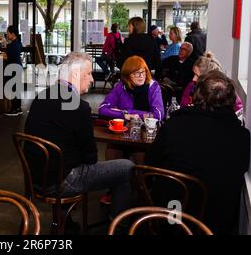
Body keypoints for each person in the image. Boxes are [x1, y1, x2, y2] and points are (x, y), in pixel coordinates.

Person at [24, 52, 134, 229]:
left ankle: (63, 222)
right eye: (88, 73)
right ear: (75, 74)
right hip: (60, 182)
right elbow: (91, 158)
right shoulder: (79, 107)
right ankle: (118, 228)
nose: (91, 79)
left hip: (35, 176)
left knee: (66, 159)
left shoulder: (41, 98)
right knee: (126, 168)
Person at [146, 71, 250, 234]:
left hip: (172, 216)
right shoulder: (242, 137)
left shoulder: (174, 125)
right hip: (215, 222)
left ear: (197, 96)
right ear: (231, 100)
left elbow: (150, 163)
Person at [99, 55, 164, 161]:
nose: (141, 76)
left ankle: (140, 177)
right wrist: (125, 115)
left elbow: (158, 115)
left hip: (145, 133)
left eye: (143, 72)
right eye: (136, 73)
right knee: (112, 151)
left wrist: (128, 113)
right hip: (123, 132)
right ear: (127, 76)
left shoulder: (153, 87)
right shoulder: (121, 86)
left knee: (140, 155)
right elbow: (103, 109)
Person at [180, 52, 243, 120]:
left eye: (197, 76)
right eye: (194, 74)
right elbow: (183, 106)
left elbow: (236, 118)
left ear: (209, 78)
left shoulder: (228, 94)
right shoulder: (191, 86)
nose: (193, 79)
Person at [3, 25, 24, 117]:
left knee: (13, 89)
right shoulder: (18, 43)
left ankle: (14, 109)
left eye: (8, 33)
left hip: (13, 68)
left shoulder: (12, 45)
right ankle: (18, 108)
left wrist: (2, 56)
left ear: (12, 34)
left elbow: (9, 57)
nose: (7, 35)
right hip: (18, 67)